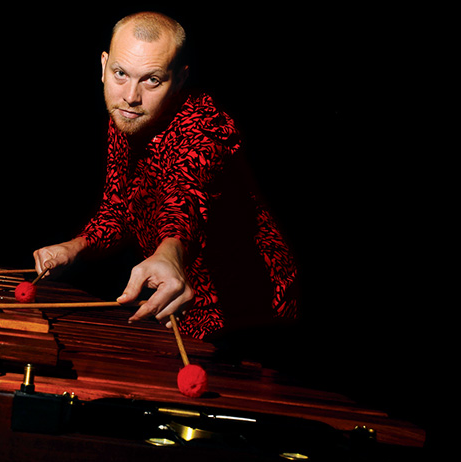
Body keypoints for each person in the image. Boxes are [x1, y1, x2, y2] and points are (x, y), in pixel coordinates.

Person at [33, 11, 297, 340]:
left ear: (180, 79)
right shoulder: (128, 117)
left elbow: (185, 192)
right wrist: (76, 247)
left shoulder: (202, 126)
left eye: (151, 80)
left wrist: (169, 250)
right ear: (103, 66)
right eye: (120, 74)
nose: (131, 95)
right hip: (181, 309)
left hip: (254, 313)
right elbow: (119, 210)